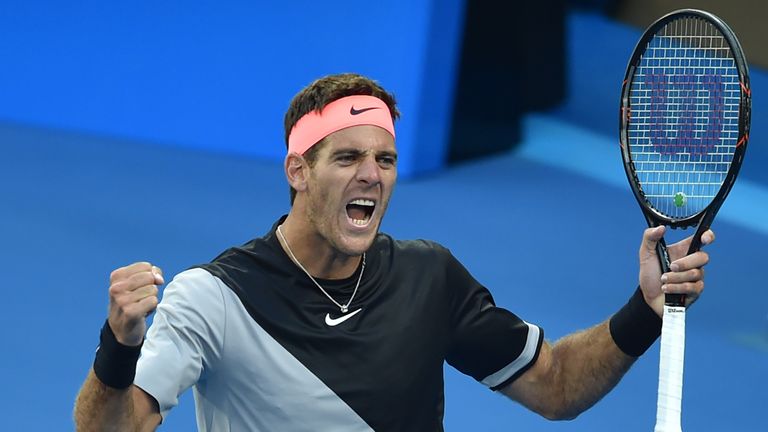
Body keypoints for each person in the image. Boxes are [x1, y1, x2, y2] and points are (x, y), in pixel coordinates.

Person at [74, 73, 713, 431]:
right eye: (347, 157)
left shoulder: (427, 276)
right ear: (298, 170)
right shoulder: (212, 297)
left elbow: (556, 385)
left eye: (385, 159)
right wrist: (118, 345)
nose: (371, 176)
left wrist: (645, 310)